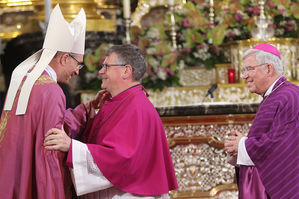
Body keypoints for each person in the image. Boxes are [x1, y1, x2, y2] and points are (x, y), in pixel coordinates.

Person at [44, 44, 178, 198]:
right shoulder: (121, 101)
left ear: (126, 71)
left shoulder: (136, 107)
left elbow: (121, 159)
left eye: (106, 66)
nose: (101, 71)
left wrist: (71, 146)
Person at [0, 5, 92, 199]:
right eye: (78, 64)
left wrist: (85, 110)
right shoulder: (51, 91)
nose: (77, 71)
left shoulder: (25, 80)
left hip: (12, 178)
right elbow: (49, 153)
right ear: (65, 57)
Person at [224, 43, 299, 199]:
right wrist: (240, 145)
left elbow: (282, 144)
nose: (244, 76)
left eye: (249, 69)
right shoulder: (276, 95)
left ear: (268, 69)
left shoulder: (289, 96)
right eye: (243, 70)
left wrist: (242, 145)